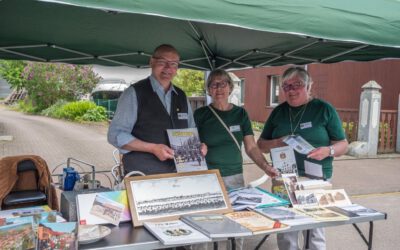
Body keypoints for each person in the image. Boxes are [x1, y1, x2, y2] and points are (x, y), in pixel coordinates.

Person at [257, 66, 348, 250]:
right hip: (284, 179)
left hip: (317, 180)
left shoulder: (323, 109)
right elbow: (261, 145)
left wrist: (328, 151)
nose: (291, 90)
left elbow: (343, 144)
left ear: (308, 85)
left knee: (315, 231)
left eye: (296, 85)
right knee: (287, 231)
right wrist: (276, 142)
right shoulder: (278, 112)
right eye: (286, 86)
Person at [108, 44, 205, 175]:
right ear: (152, 62)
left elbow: (190, 131)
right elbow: (115, 135)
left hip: (178, 174)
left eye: (173, 64)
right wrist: (152, 148)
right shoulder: (134, 93)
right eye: (162, 62)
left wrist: (197, 146)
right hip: (143, 175)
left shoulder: (181, 95)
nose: (168, 68)